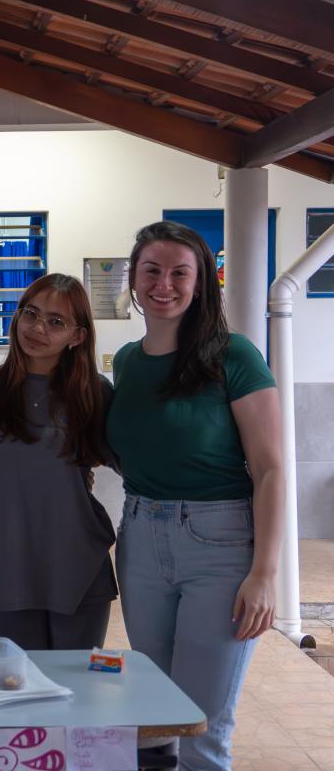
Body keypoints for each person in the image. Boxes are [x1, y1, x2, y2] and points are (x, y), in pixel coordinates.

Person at [108, 221, 284, 770]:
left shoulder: (233, 355)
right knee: (156, 711)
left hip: (220, 544)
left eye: (179, 273)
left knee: (202, 725)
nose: (164, 285)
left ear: (201, 282)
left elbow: (271, 469)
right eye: (151, 271)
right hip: (139, 536)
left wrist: (265, 573)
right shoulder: (126, 361)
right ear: (134, 280)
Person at [0, 273, 117, 651]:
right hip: (12, 560)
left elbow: (119, 460)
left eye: (56, 322)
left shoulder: (95, 392)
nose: (37, 328)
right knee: (21, 680)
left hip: (77, 557)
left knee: (74, 681)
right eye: (30, 314)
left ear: (77, 336)